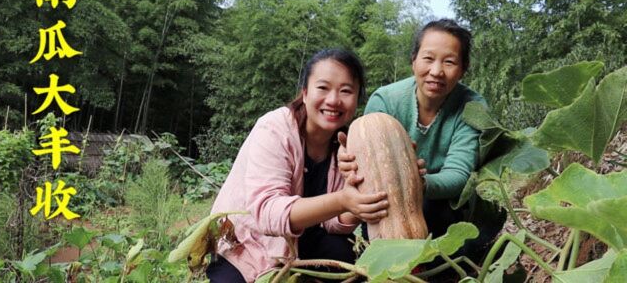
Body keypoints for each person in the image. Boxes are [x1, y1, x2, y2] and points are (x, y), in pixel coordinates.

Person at [207, 48, 390, 283]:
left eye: (346, 91)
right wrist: (342, 200)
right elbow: (266, 213)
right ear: (305, 93)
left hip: (303, 239)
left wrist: (356, 206)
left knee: (347, 258)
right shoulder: (274, 128)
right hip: (247, 241)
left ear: (357, 99)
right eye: (323, 88)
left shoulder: (347, 143)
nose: (333, 100)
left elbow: (335, 224)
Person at [339, 19, 505, 261]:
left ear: (463, 69)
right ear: (413, 60)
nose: (436, 71)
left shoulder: (472, 106)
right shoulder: (384, 101)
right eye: (428, 58)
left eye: (449, 62)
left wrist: (417, 182)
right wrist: (351, 164)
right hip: (388, 208)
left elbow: (459, 175)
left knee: (458, 229)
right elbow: (369, 166)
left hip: (445, 205)